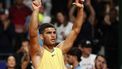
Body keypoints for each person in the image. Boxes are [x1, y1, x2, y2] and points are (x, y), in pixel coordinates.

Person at [29, 0, 84, 69]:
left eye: (54, 32)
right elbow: (33, 34)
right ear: (41, 36)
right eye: (49, 33)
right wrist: (36, 10)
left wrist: (80, 8)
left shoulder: (60, 50)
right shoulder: (38, 53)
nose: (53, 35)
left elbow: (75, 30)